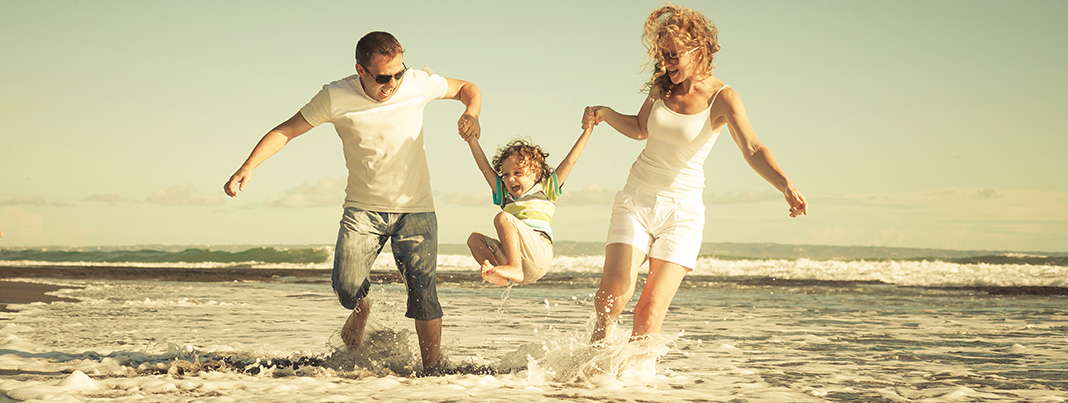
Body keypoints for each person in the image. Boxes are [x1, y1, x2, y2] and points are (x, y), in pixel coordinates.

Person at [222, 31, 481, 372]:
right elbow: (285, 131)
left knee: (423, 293)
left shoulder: (417, 83)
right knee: (346, 287)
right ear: (361, 70)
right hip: (363, 211)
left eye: (399, 73)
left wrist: (472, 113)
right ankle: (362, 308)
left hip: (416, 210)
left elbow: (467, 88)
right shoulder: (335, 96)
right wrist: (248, 166)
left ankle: (433, 368)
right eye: (383, 77)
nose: (393, 83)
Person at [583, 5, 807, 344]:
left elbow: (752, 149)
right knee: (612, 297)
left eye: (672, 56)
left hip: (682, 212)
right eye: (662, 56)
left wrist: (785, 185)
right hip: (637, 199)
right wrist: (606, 113)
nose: (665, 64)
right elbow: (641, 128)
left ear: (698, 51)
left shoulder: (723, 97)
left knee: (649, 311)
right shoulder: (662, 87)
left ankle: (635, 385)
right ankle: (593, 369)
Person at [463, 125, 594, 286]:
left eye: (518, 173)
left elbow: (570, 161)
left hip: (538, 254)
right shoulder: (505, 195)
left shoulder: (546, 189)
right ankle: (497, 273)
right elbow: (484, 168)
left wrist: (587, 131)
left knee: (503, 218)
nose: (510, 179)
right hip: (516, 258)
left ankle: (513, 268)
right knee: (474, 239)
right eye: (506, 175)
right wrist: (471, 140)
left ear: (536, 173)